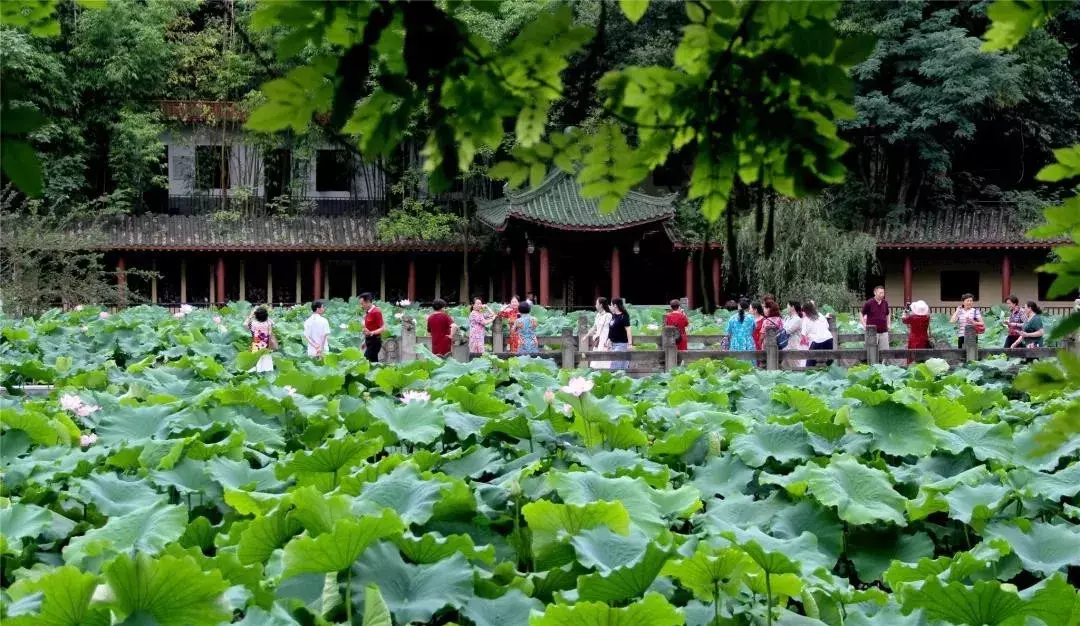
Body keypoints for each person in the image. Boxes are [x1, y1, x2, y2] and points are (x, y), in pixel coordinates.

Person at [244, 306, 276, 372]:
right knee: (267, 367)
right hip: (266, 346)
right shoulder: (268, 324)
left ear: (256, 316)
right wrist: (265, 315)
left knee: (257, 366)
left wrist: (251, 314)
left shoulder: (253, 324)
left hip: (256, 346)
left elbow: (245, 324)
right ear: (266, 316)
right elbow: (273, 323)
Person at [802, 301, 833, 367]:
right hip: (829, 339)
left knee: (809, 365)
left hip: (816, 341)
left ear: (805, 311)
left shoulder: (806, 319)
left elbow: (803, 335)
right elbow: (827, 326)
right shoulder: (821, 315)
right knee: (829, 363)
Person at [584, 297, 612, 369]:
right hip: (598, 339)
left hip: (605, 339)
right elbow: (594, 327)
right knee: (595, 360)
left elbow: (611, 329)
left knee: (605, 359)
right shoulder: (598, 315)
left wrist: (609, 339)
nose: (595, 305)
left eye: (596, 303)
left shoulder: (608, 315)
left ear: (601, 305)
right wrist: (586, 336)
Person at [861, 286, 891, 352]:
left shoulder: (885, 303)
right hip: (872, 332)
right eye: (880, 293)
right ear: (875, 293)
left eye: (883, 293)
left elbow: (887, 314)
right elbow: (861, 313)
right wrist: (863, 324)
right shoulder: (869, 303)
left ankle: (883, 363)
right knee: (871, 352)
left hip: (884, 331)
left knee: (885, 352)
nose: (882, 295)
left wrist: (889, 324)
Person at [901, 300, 931, 364]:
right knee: (923, 356)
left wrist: (904, 313)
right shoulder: (927, 318)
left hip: (914, 339)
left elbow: (904, 320)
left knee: (912, 356)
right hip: (924, 338)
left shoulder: (912, 317)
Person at [359, 293, 385, 363]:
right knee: (373, 363)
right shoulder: (368, 312)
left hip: (375, 341)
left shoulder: (376, 312)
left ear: (368, 302)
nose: (361, 306)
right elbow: (369, 328)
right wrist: (365, 342)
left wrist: (372, 333)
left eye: (362, 304)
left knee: (366, 361)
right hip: (369, 341)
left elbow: (383, 328)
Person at [609, 297, 632, 369]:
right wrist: (608, 340)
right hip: (613, 344)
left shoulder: (624, 316)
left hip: (621, 344)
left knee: (615, 365)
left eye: (611, 305)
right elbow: (612, 329)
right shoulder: (613, 316)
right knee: (616, 364)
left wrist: (630, 344)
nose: (610, 306)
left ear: (615, 305)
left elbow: (628, 330)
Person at [783, 300, 806, 367]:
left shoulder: (797, 319)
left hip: (793, 347)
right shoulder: (788, 318)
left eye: (788, 306)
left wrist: (783, 328)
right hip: (786, 347)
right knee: (784, 368)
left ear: (792, 307)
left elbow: (788, 330)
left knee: (795, 368)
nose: (787, 308)